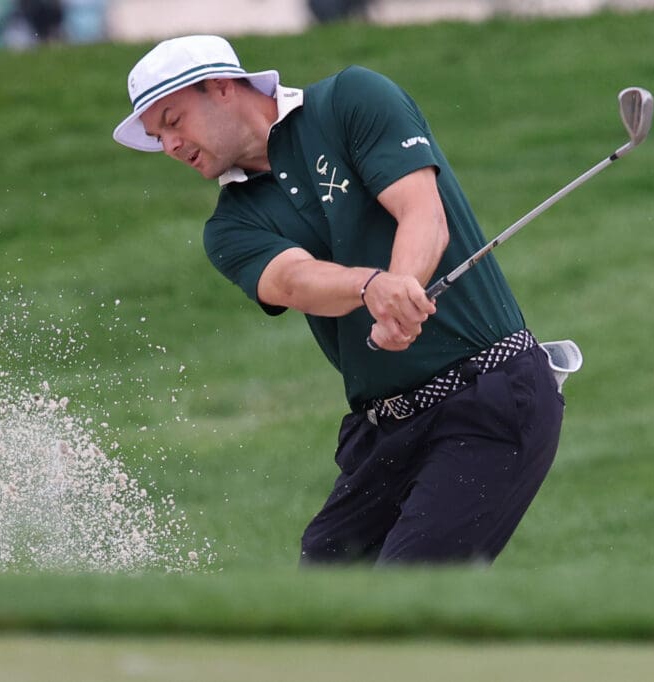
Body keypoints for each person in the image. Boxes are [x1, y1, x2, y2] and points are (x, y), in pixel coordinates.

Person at [112, 35, 565, 566]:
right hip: (385, 430)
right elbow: (293, 281)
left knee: (407, 600)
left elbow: (423, 214)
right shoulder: (230, 226)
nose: (169, 145)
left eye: (173, 120)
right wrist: (372, 289)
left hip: (489, 394)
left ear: (221, 87)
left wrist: (400, 292)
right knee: (328, 601)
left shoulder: (352, 100)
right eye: (157, 137)